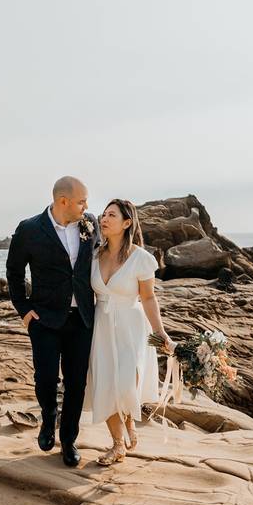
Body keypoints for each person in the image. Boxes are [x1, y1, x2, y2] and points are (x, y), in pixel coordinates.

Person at [5, 177, 99, 467]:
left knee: (76, 384)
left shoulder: (90, 224)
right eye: (82, 200)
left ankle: (68, 439)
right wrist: (24, 310)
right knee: (45, 379)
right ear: (63, 201)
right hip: (44, 319)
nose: (87, 206)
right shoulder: (30, 229)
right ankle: (48, 419)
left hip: (82, 318)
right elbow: (14, 272)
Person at [84, 198, 171, 466]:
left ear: (127, 223)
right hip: (101, 325)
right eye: (103, 214)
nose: (104, 219)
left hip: (131, 326)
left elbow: (148, 299)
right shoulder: (93, 255)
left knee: (124, 383)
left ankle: (130, 421)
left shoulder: (141, 259)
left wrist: (161, 333)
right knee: (107, 384)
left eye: (111, 215)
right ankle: (117, 445)